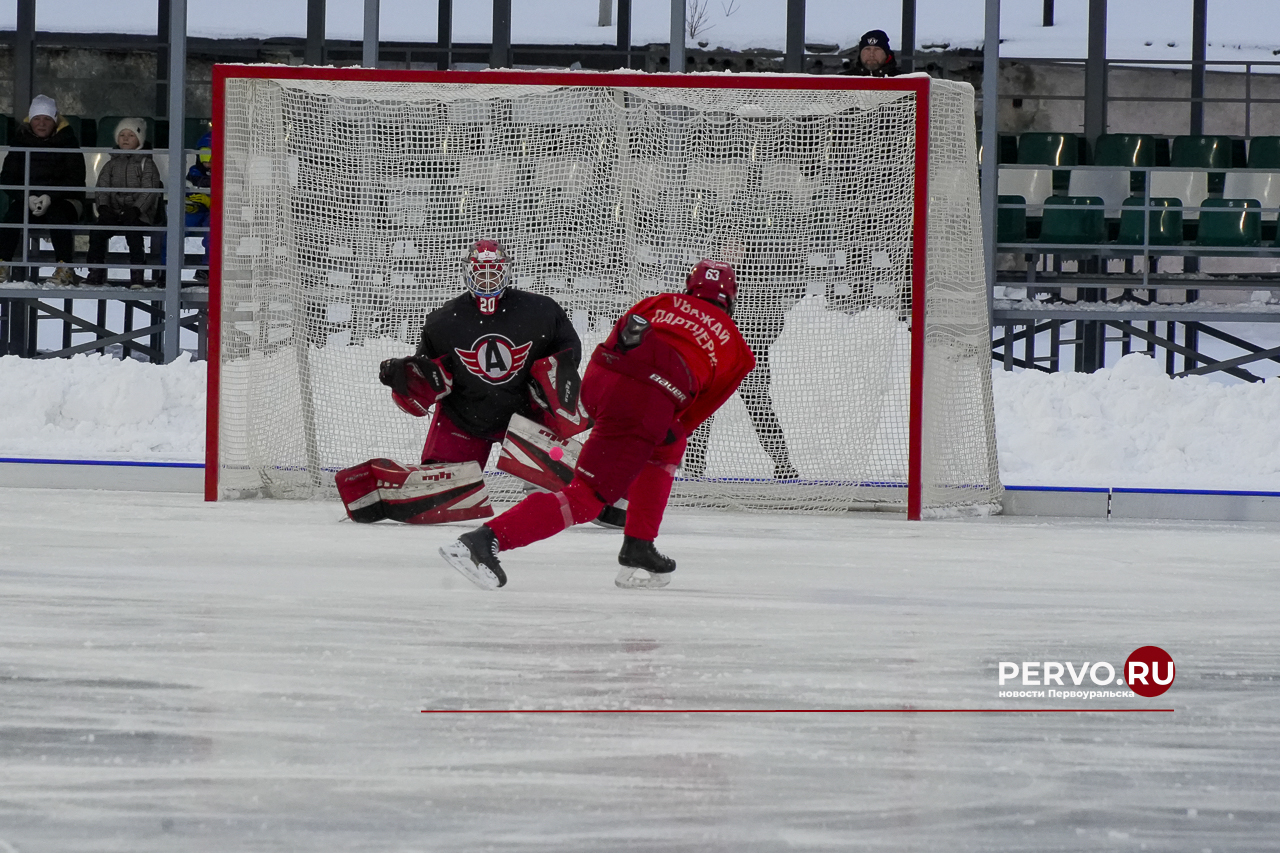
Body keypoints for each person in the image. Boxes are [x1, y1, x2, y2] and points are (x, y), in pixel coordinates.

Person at [440, 259, 756, 591]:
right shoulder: (738, 349)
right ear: (730, 299)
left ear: (690, 288)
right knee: (586, 499)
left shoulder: (660, 301)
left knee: (668, 446)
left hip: (599, 381)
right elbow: (694, 414)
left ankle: (639, 544)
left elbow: (618, 337)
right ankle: (482, 542)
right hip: (644, 400)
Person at [338, 239, 624, 527]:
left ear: (506, 271)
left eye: (494, 272)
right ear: (467, 273)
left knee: (563, 495)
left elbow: (567, 349)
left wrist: (551, 381)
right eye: (481, 272)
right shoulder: (442, 322)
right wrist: (403, 378)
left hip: (526, 417)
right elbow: (427, 379)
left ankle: (612, 500)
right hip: (465, 420)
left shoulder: (541, 311)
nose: (488, 279)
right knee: (435, 494)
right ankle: (377, 496)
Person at [0, 95, 86, 285]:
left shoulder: (69, 141)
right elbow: (7, 177)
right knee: (13, 215)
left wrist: (51, 196)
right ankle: (2, 264)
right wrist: (26, 197)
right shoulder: (20, 142)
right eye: (37, 118)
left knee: (58, 214)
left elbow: (76, 179)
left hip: (65, 201)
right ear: (30, 120)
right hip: (30, 201)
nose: (41, 123)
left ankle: (65, 268)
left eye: (47, 119)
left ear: (55, 121)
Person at [85, 118, 163, 288]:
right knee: (97, 232)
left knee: (133, 233)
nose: (126, 138)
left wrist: (136, 209)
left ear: (139, 140)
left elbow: (149, 190)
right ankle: (95, 271)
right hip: (113, 212)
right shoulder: (110, 164)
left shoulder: (147, 164)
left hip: (138, 214)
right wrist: (103, 207)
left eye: (131, 135)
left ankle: (137, 274)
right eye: (122, 135)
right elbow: (102, 187)